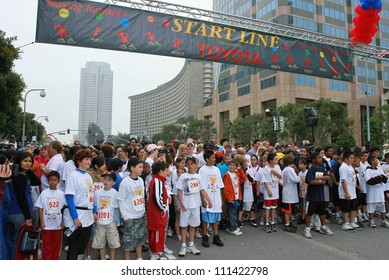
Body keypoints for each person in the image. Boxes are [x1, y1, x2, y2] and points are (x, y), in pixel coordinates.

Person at [176, 156, 212, 257]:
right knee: (184, 225)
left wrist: (208, 199)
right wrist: (182, 203)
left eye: (192, 164)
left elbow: (202, 190)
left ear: (196, 165)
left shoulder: (198, 177)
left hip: (195, 205)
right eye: (188, 164)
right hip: (186, 206)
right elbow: (179, 190)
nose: (190, 166)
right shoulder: (183, 177)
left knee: (193, 225)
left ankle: (191, 244)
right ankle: (183, 245)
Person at [63, 149, 94, 260]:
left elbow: (91, 195)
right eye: (86, 159)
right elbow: (69, 197)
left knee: (82, 247)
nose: (89, 161)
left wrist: (94, 211)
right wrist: (75, 218)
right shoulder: (73, 176)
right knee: (74, 247)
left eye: (90, 159)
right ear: (78, 161)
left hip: (88, 216)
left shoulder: (88, 176)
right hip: (76, 216)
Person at [8, 152, 41, 257]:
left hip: (19, 212)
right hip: (19, 213)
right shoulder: (19, 177)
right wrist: (27, 217)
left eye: (30, 161)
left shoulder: (22, 174)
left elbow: (36, 182)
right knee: (18, 242)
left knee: (17, 241)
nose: (28, 163)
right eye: (25, 161)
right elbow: (21, 198)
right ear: (19, 161)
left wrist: (29, 170)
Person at [117, 157, 147, 260]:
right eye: (140, 167)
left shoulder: (141, 180)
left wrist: (144, 211)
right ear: (132, 168)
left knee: (140, 239)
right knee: (128, 242)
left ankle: (139, 258)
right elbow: (121, 200)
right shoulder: (125, 182)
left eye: (142, 167)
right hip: (130, 216)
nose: (142, 169)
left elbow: (142, 196)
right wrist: (125, 217)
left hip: (141, 215)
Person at [35, 171, 66, 260]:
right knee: (46, 245)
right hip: (47, 225)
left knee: (56, 245)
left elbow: (63, 209)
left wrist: (63, 221)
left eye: (55, 180)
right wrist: (42, 222)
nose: (53, 182)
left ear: (58, 181)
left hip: (57, 224)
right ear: (48, 181)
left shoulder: (61, 194)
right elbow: (40, 208)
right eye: (51, 180)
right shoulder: (44, 193)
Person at [303, 153, 334, 239]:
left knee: (322, 211)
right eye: (318, 158)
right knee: (309, 212)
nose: (320, 160)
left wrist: (319, 179)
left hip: (321, 194)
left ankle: (323, 226)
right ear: (313, 160)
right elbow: (310, 181)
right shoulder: (311, 169)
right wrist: (319, 180)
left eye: (321, 158)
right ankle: (307, 228)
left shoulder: (321, 168)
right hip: (312, 195)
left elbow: (327, 178)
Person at [198, 150, 224, 248]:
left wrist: (220, 199)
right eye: (212, 158)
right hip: (207, 197)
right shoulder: (202, 170)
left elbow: (220, 185)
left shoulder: (216, 169)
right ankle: (205, 236)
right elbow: (201, 187)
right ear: (207, 159)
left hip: (215, 196)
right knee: (206, 218)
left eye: (214, 157)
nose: (214, 159)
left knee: (216, 218)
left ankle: (216, 236)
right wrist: (203, 199)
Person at [92, 171, 120, 260]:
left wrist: (115, 222)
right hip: (100, 222)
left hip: (110, 222)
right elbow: (95, 205)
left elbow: (116, 208)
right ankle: (102, 258)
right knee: (100, 243)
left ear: (114, 182)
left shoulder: (114, 193)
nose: (106, 181)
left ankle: (112, 259)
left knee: (113, 243)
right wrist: (95, 214)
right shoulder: (97, 192)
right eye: (105, 179)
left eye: (109, 180)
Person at [147, 161, 170, 260]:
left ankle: (155, 253)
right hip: (157, 214)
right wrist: (164, 208)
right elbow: (157, 197)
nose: (168, 171)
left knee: (156, 233)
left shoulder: (157, 180)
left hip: (156, 213)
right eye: (166, 170)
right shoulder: (157, 181)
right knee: (156, 233)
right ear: (161, 171)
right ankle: (155, 254)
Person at [365, 156, 389, 228]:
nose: (377, 162)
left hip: (379, 191)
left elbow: (384, 178)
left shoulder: (379, 169)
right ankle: (371, 220)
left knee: (382, 206)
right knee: (371, 206)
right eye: (376, 160)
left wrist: (381, 177)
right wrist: (377, 178)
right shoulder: (368, 171)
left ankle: (383, 220)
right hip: (372, 192)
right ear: (372, 161)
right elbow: (369, 181)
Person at [339, 151, 360, 231]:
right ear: (345, 158)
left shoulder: (350, 166)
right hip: (346, 191)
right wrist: (346, 192)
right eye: (350, 158)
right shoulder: (343, 167)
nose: (352, 160)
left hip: (352, 190)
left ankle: (351, 222)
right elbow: (343, 180)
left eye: (352, 158)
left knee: (353, 207)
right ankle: (345, 223)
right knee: (346, 208)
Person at [261, 153, 282, 233]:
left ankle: (272, 222)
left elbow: (280, 176)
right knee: (267, 208)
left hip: (275, 190)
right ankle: (266, 223)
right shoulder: (266, 168)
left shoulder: (277, 167)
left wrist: (275, 172)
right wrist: (268, 190)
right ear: (271, 160)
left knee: (273, 207)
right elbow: (265, 180)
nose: (277, 161)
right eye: (275, 159)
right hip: (268, 190)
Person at [281, 154, 301, 233]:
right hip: (289, 192)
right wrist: (299, 177)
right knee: (287, 210)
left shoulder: (285, 169)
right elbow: (295, 179)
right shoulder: (290, 169)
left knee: (288, 209)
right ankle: (287, 224)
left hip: (287, 190)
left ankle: (288, 222)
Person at [223, 160, 243, 236]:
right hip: (231, 197)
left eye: (233, 165)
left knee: (234, 212)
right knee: (232, 213)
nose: (231, 166)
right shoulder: (227, 175)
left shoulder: (236, 173)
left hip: (237, 196)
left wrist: (240, 169)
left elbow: (243, 179)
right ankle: (233, 228)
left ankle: (231, 226)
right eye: (230, 165)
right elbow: (226, 188)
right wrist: (229, 198)